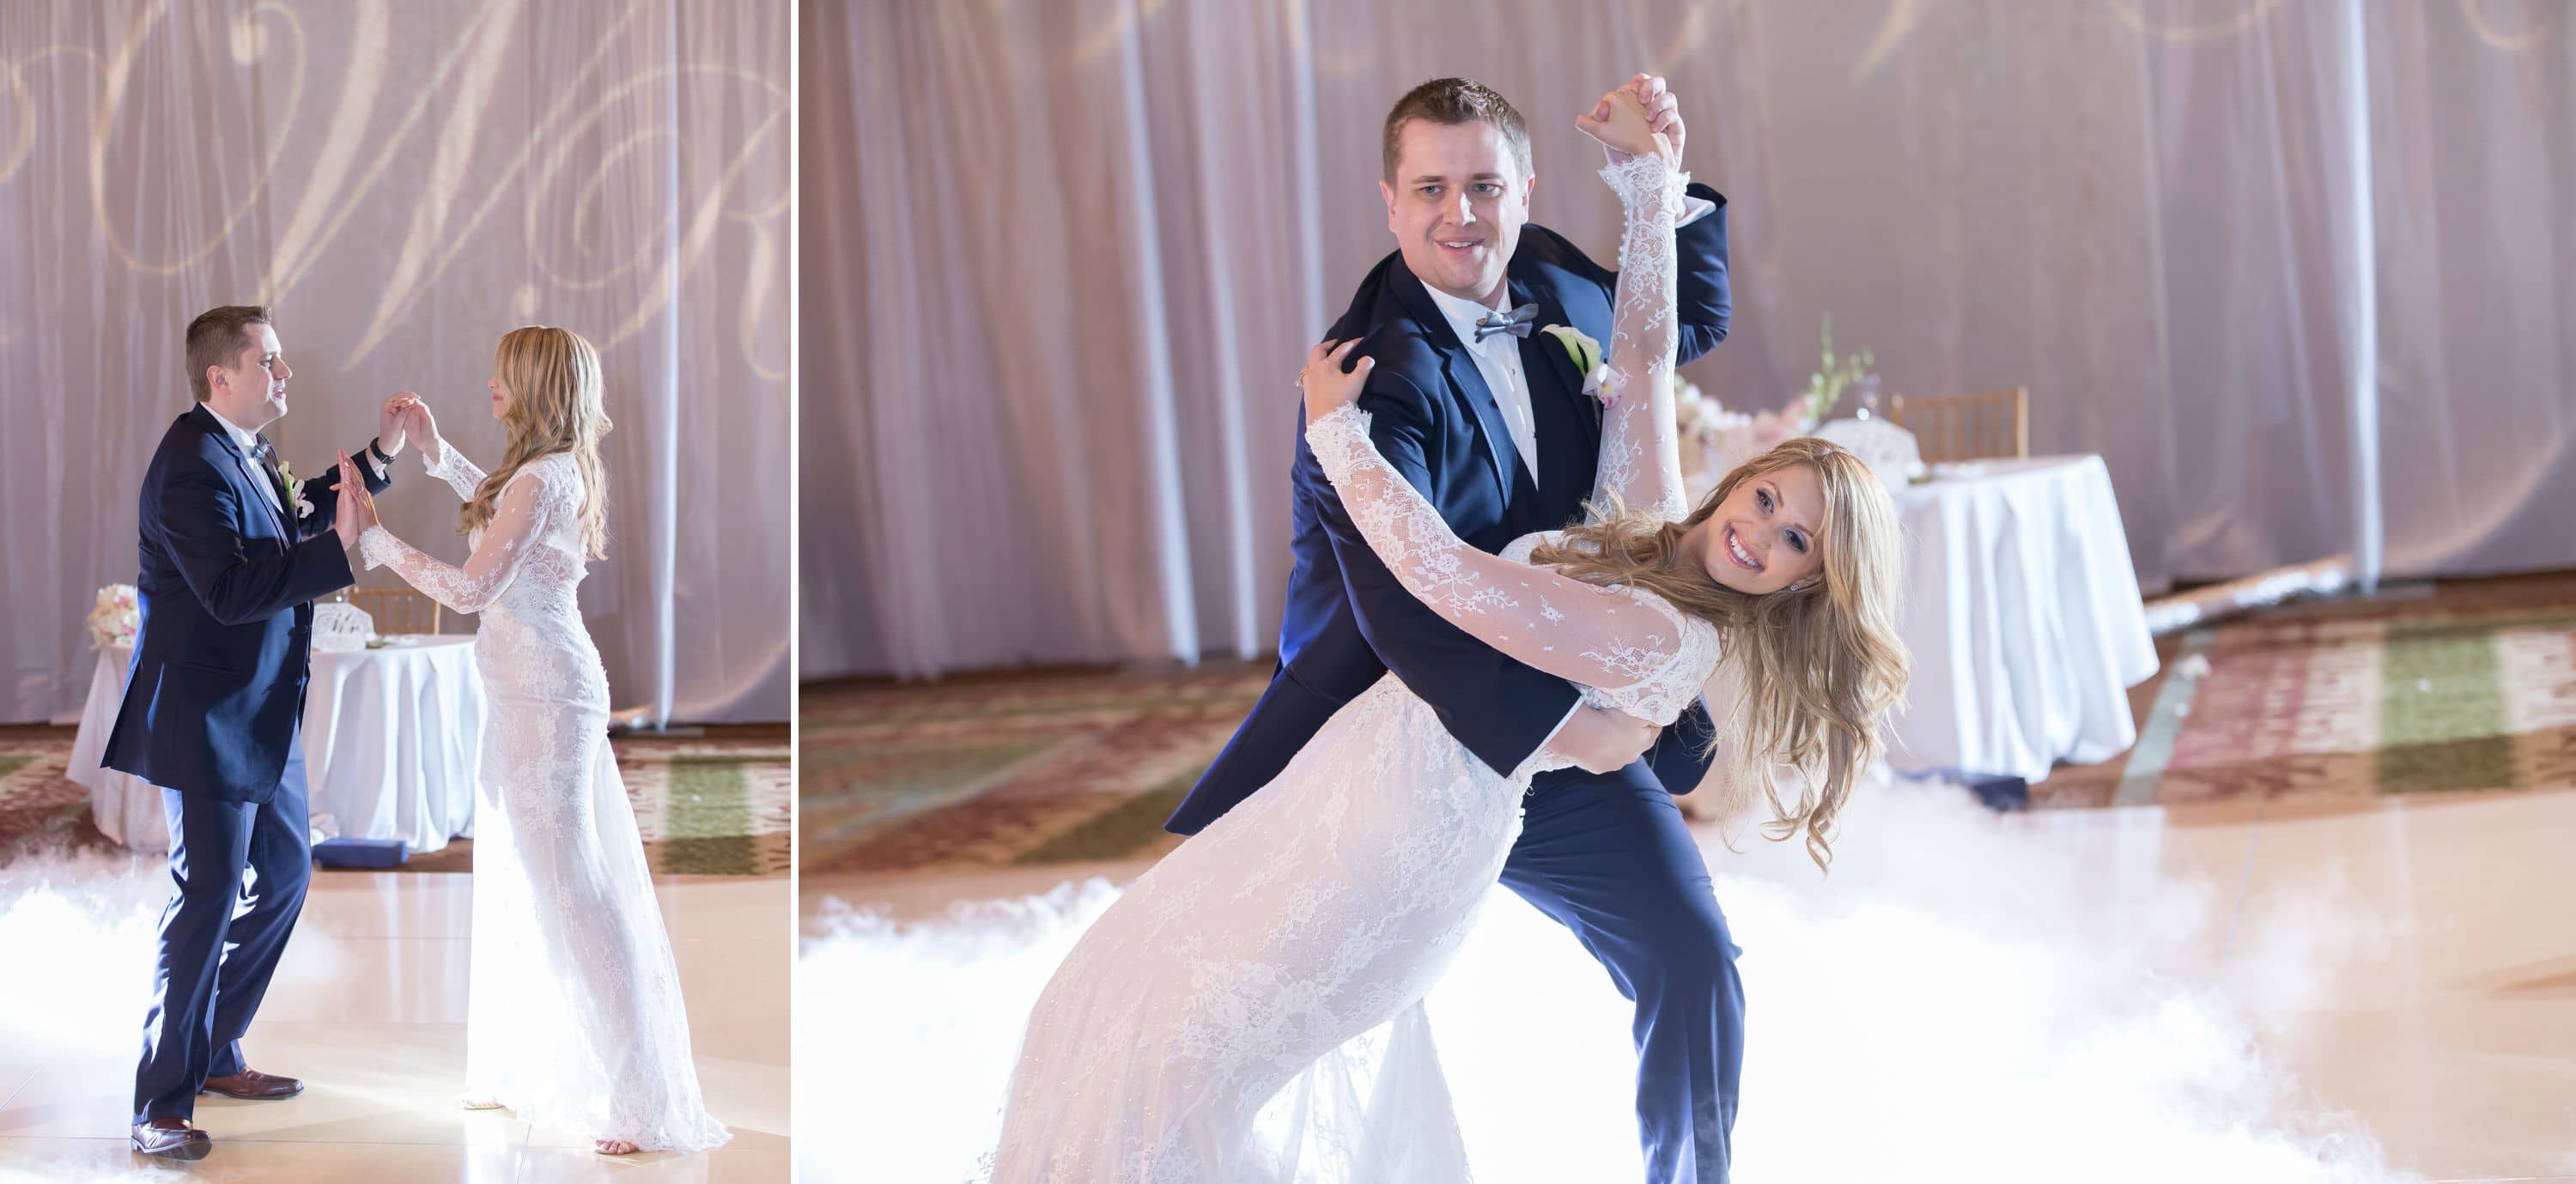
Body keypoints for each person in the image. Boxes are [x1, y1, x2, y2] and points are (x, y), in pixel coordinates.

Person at [344, 326, 727, 1156]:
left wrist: (374, 539)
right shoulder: (552, 471)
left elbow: (475, 584)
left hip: (547, 699)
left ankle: (639, 1097)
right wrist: (439, 452)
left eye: (503, 373)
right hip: (536, 691)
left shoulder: (543, 478)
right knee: (547, 879)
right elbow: (506, 506)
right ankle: (554, 1063)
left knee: (576, 890)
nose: (489, 381)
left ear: (536, 386)